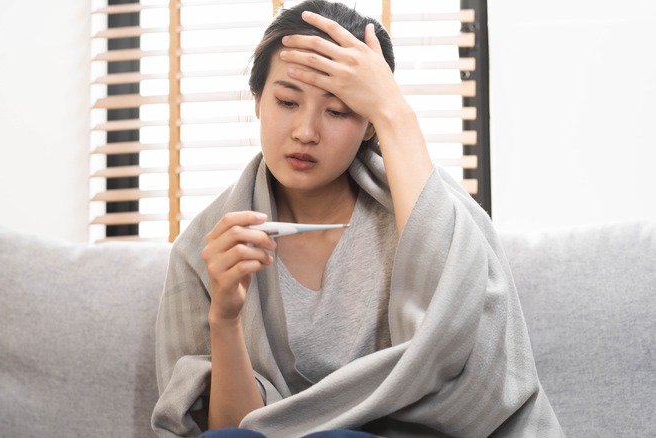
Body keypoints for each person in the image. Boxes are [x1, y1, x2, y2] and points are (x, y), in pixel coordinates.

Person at [151, 1, 564, 437]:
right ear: (257, 102)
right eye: (287, 101)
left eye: (338, 111)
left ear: (370, 124)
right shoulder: (206, 248)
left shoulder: (424, 207)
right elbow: (231, 431)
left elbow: (468, 351)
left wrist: (394, 111)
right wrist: (226, 318)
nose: (306, 131)